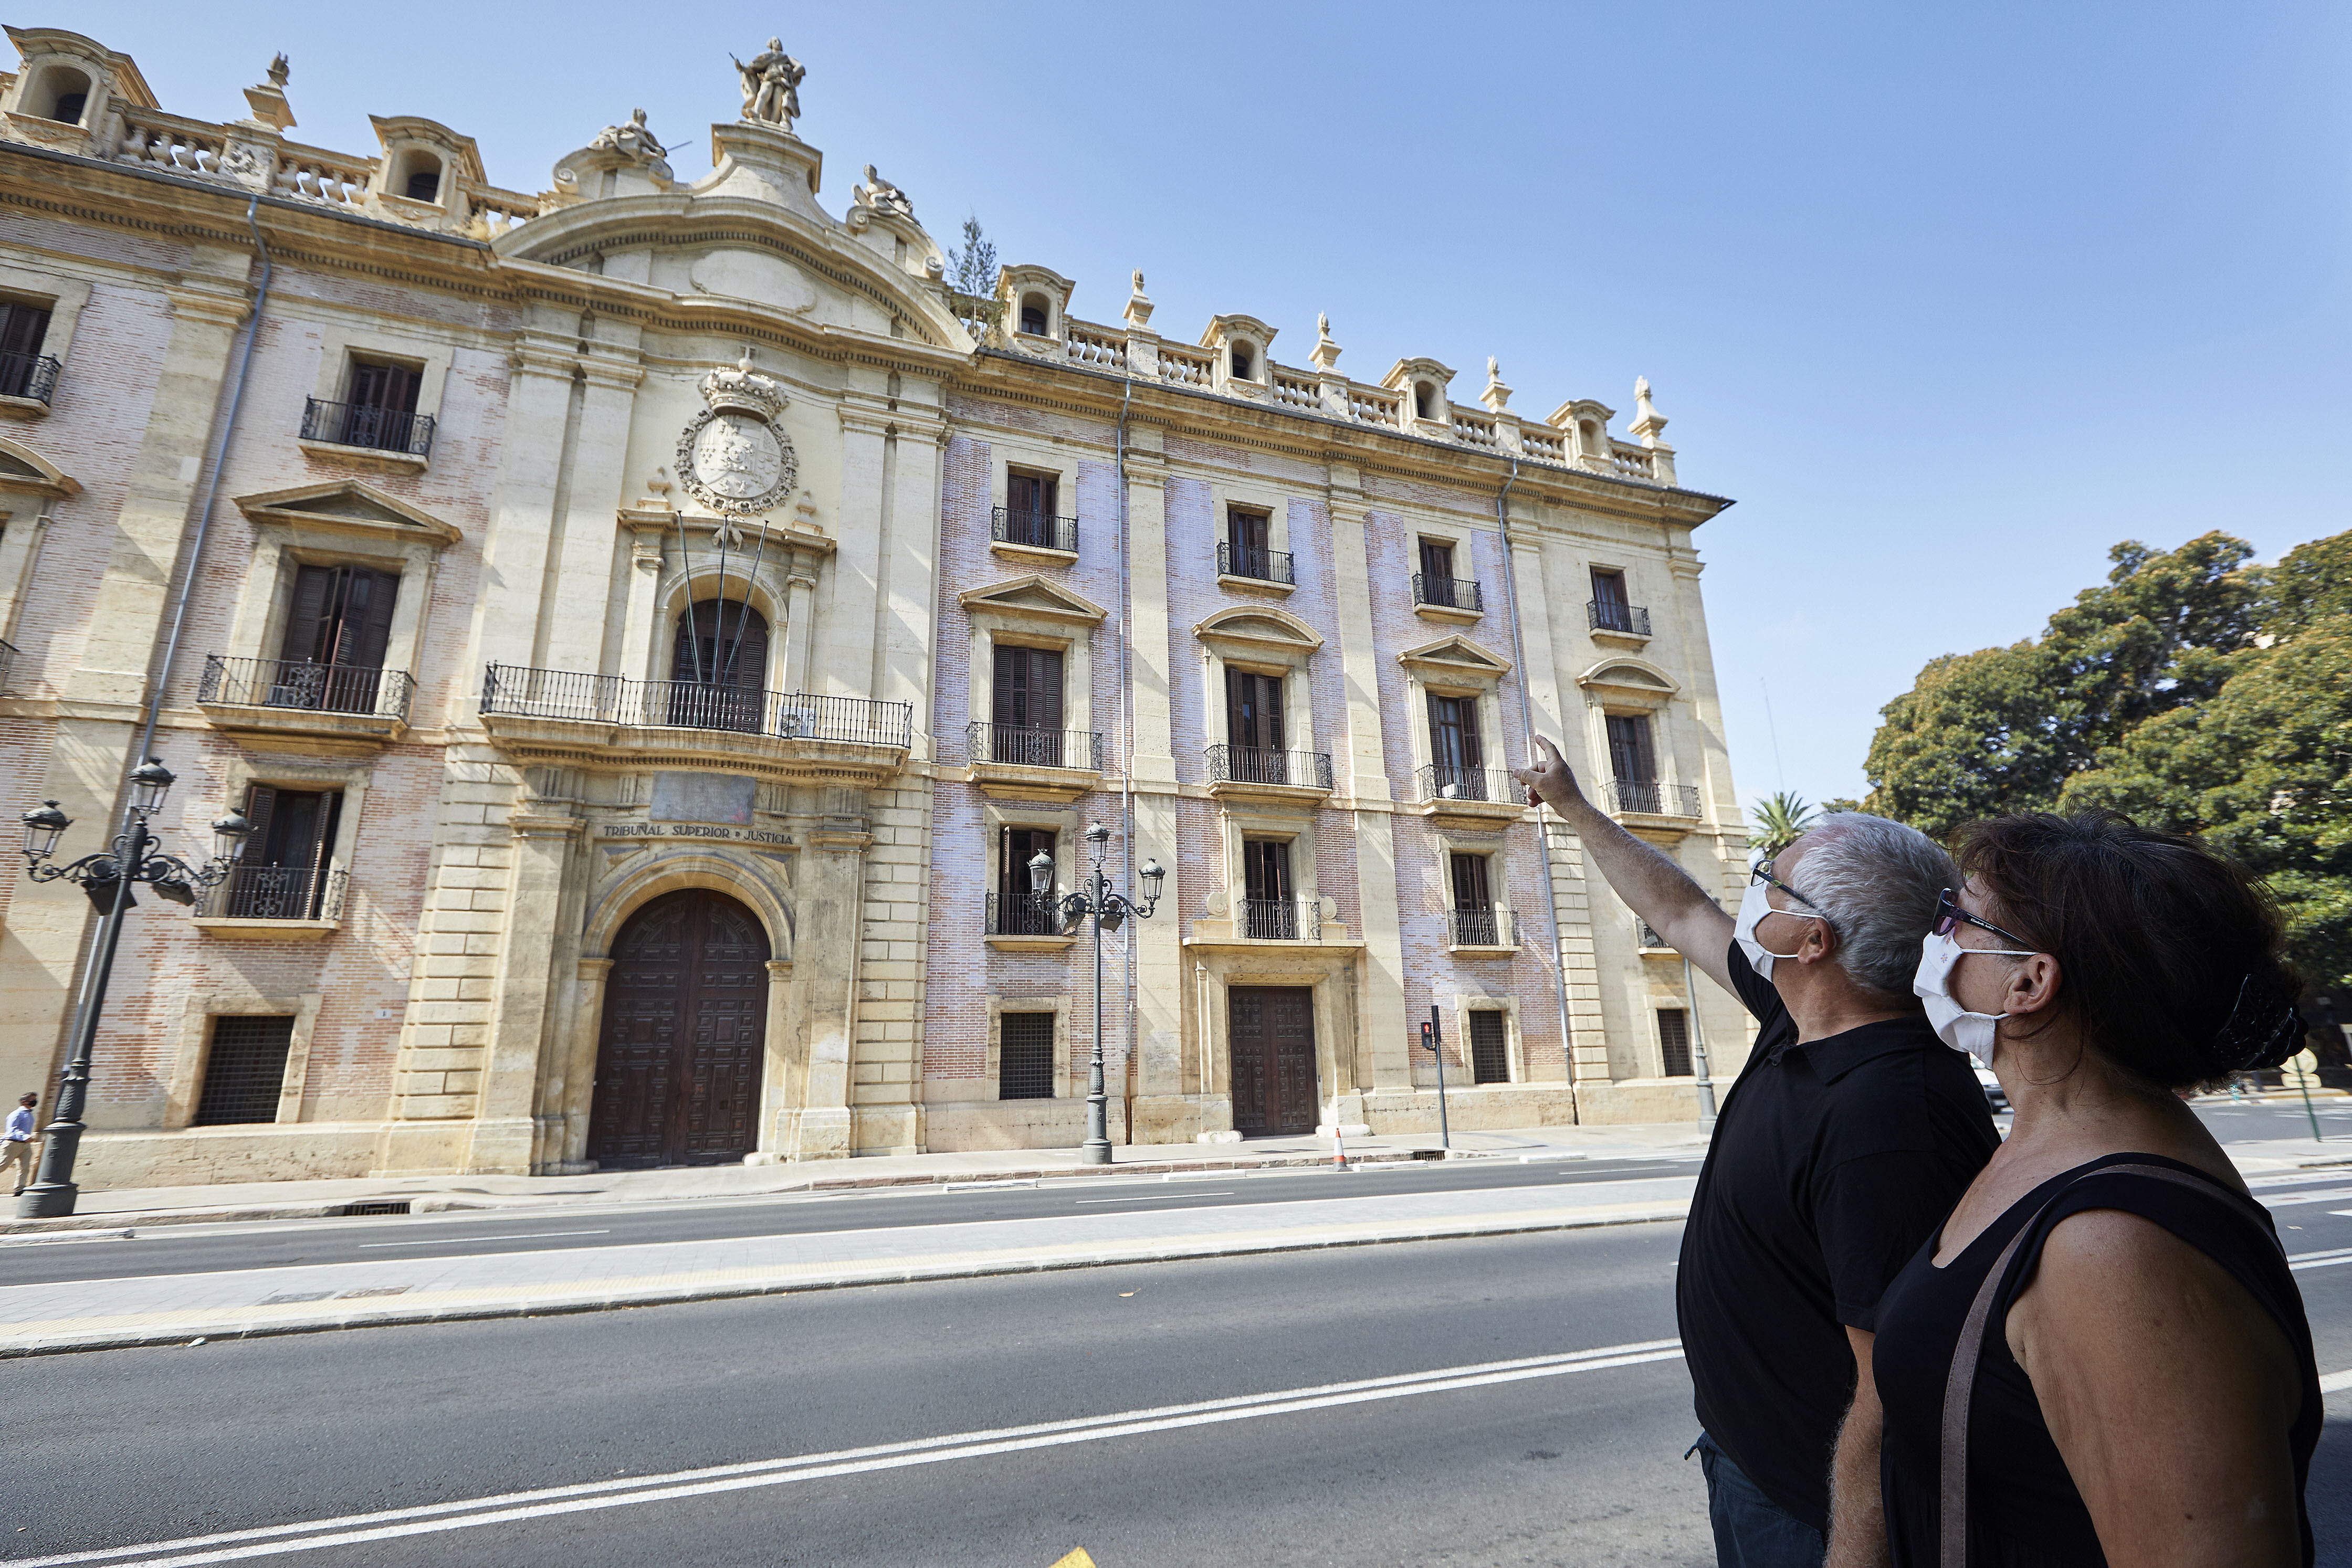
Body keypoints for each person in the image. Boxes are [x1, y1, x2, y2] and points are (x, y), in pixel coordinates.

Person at [1516, 735, 1997, 1567]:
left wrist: (1852, 1553)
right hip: (1749, 1461)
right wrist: (1574, 806)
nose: (1752, 889)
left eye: (1771, 880)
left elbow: (1895, 1389)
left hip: (1811, 1511)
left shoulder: (1887, 1119)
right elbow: (1679, 911)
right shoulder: (1804, 1011)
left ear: (1812, 939)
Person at [1873, 811, 2318, 1565]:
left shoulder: (2115, 1245)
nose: (1937, 933)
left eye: (1958, 915)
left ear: (2029, 980)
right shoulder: (2051, 1147)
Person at [4, 1092, 37, 1196]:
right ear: (24, 1101)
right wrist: (26, 1136)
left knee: (25, 1167)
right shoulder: (16, 1114)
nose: (35, 1102)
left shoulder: (29, 1115)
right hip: (13, 1143)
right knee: (2, 1166)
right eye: (32, 1100)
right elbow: (13, 1129)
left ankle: (20, 1188)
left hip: (25, 1145)